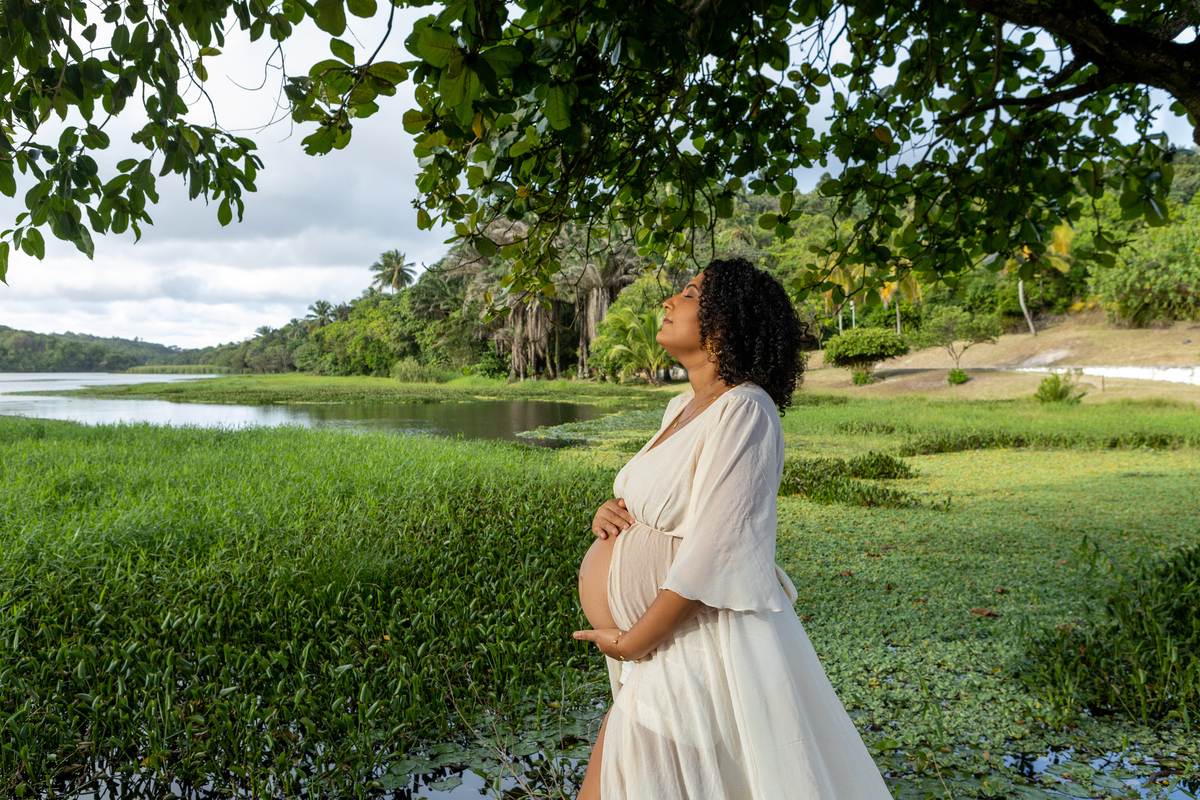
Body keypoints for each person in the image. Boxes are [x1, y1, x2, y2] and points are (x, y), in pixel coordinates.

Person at [573, 257, 893, 799]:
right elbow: (655, 503)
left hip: (688, 649)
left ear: (729, 321)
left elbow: (715, 553)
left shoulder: (746, 409)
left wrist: (631, 644)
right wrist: (609, 512)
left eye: (691, 294)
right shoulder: (681, 407)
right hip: (662, 652)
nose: (670, 302)